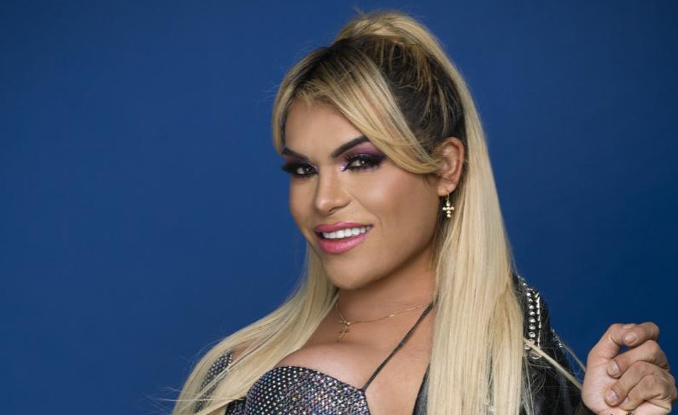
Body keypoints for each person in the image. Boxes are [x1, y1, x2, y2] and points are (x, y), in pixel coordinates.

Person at [172, 10, 676, 415]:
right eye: (303, 169)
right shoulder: (242, 359)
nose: (323, 199)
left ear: (446, 168)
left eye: (360, 162)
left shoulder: (521, 349)